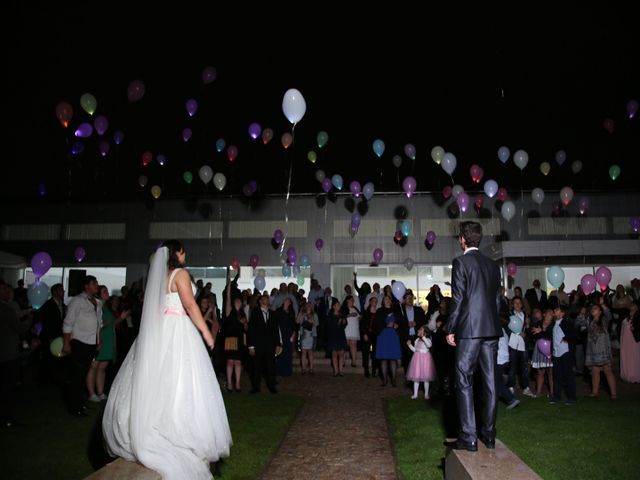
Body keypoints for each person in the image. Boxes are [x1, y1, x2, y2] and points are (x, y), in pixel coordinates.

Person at [103, 241, 232, 479]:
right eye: (183, 251)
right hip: (177, 328)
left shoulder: (159, 276)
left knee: (158, 379)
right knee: (181, 380)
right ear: (177, 253)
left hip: (159, 330)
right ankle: (178, 434)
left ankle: (155, 426)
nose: (185, 255)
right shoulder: (180, 274)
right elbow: (190, 304)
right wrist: (205, 331)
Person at [444, 222, 501, 452]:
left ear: (462, 239)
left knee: (463, 380)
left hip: (469, 330)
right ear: (480, 239)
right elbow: (497, 301)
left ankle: (468, 436)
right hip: (491, 329)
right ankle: (488, 434)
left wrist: (450, 328)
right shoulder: (492, 265)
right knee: (490, 383)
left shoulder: (460, 262)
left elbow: (458, 299)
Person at [62, 275, 102, 416]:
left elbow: (99, 324)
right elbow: (68, 323)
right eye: (94, 283)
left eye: (96, 283)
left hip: (91, 344)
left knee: (83, 375)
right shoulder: (78, 301)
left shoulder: (98, 302)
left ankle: (80, 404)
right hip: (79, 343)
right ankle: (74, 408)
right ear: (86, 286)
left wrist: (98, 341)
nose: (97, 285)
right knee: (76, 376)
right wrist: (67, 343)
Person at [87, 287, 129, 402]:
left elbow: (112, 324)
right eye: (105, 291)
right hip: (100, 339)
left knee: (102, 368)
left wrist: (121, 318)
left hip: (108, 339)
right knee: (93, 367)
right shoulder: (96, 306)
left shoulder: (106, 307)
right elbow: (97, 324)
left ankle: (100, 392)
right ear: (99, 294)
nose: (107, 293)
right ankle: (91, 393)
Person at [248, 294, 281, 394]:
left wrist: (278, 344)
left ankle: (272, 386)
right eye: (265, 299)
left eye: (267, 299)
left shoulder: (273, 314)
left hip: (270, 345)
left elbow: (276, 330)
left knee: (270, 366)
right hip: (258, 345)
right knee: (257, 366)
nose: (267, 301)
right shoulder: (255, 313)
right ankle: (256, 387)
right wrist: (251, 346)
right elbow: (251, 330)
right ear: (260, 302)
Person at [585, 303, 617, 399]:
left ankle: (614, 394)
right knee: (595, 371)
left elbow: (608, 314)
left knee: (607, 370)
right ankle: (595, 392)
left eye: (595, 308)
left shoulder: (604, 321)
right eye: (592, 308)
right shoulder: (590, 321)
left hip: (602, 350)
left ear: (600, 312)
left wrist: (602, 304)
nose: (592, 310)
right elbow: (580, 323)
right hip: (593, 351)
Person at [549, 305, 577, 405]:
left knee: (568, 375)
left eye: (557, 310)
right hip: (556, 353)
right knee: (556, 375)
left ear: (562, 313)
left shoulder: (567, 323)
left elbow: (574, 335)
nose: (554, 311)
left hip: (565, 352)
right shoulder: (552, 324)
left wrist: (567, 338)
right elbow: (549, 335)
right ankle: (556, 397)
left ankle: (571, 397)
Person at [406, 326, 436, 399]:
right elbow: (415, 350)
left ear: (425, 332)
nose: (418, 330)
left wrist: (424, 337)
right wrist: (409, 345)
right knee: (416, 377)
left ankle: (426, 394)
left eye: (420, 329)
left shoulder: (428, 339)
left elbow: (429, 345)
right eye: (419, 329)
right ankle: (415, 394)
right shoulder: (416, 340)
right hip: (417, 360)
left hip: (426, 360)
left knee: (426, 377)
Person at [620, 301, 640, 383]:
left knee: (634, 356)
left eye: (633, 304)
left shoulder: (638, 317)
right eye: (631, 304)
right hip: (625, 341)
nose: (631, 305)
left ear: (637, 307)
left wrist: (634, 329)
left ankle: (634, 375)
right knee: (626, 356)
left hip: (633, 341)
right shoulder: (626, 315)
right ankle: (626, 374)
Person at [326, 299, 347, 377]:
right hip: (333, 336)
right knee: (334, 354)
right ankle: (335, 371)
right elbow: (330, 327)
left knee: (341, 353)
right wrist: (339, 322)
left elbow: (344, 325)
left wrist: (344, 321)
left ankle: (341, 371)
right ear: (334, 306)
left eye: (339, 305)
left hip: (341, 335)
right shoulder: (330, 316)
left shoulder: (341, 314)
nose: (339, 306)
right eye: (337, 305)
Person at [296, 302, 318, 374]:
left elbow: (317, 324)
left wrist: (311, 320)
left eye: (310, 305)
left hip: (312, 335)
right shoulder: (302, 314)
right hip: (303, 335)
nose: (308, 306)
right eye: (307, 305)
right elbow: (297, 321)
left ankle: (311, 368)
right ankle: (303, 368)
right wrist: (301, 313)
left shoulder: (314, 315)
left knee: (311, 352)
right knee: (303, 352)